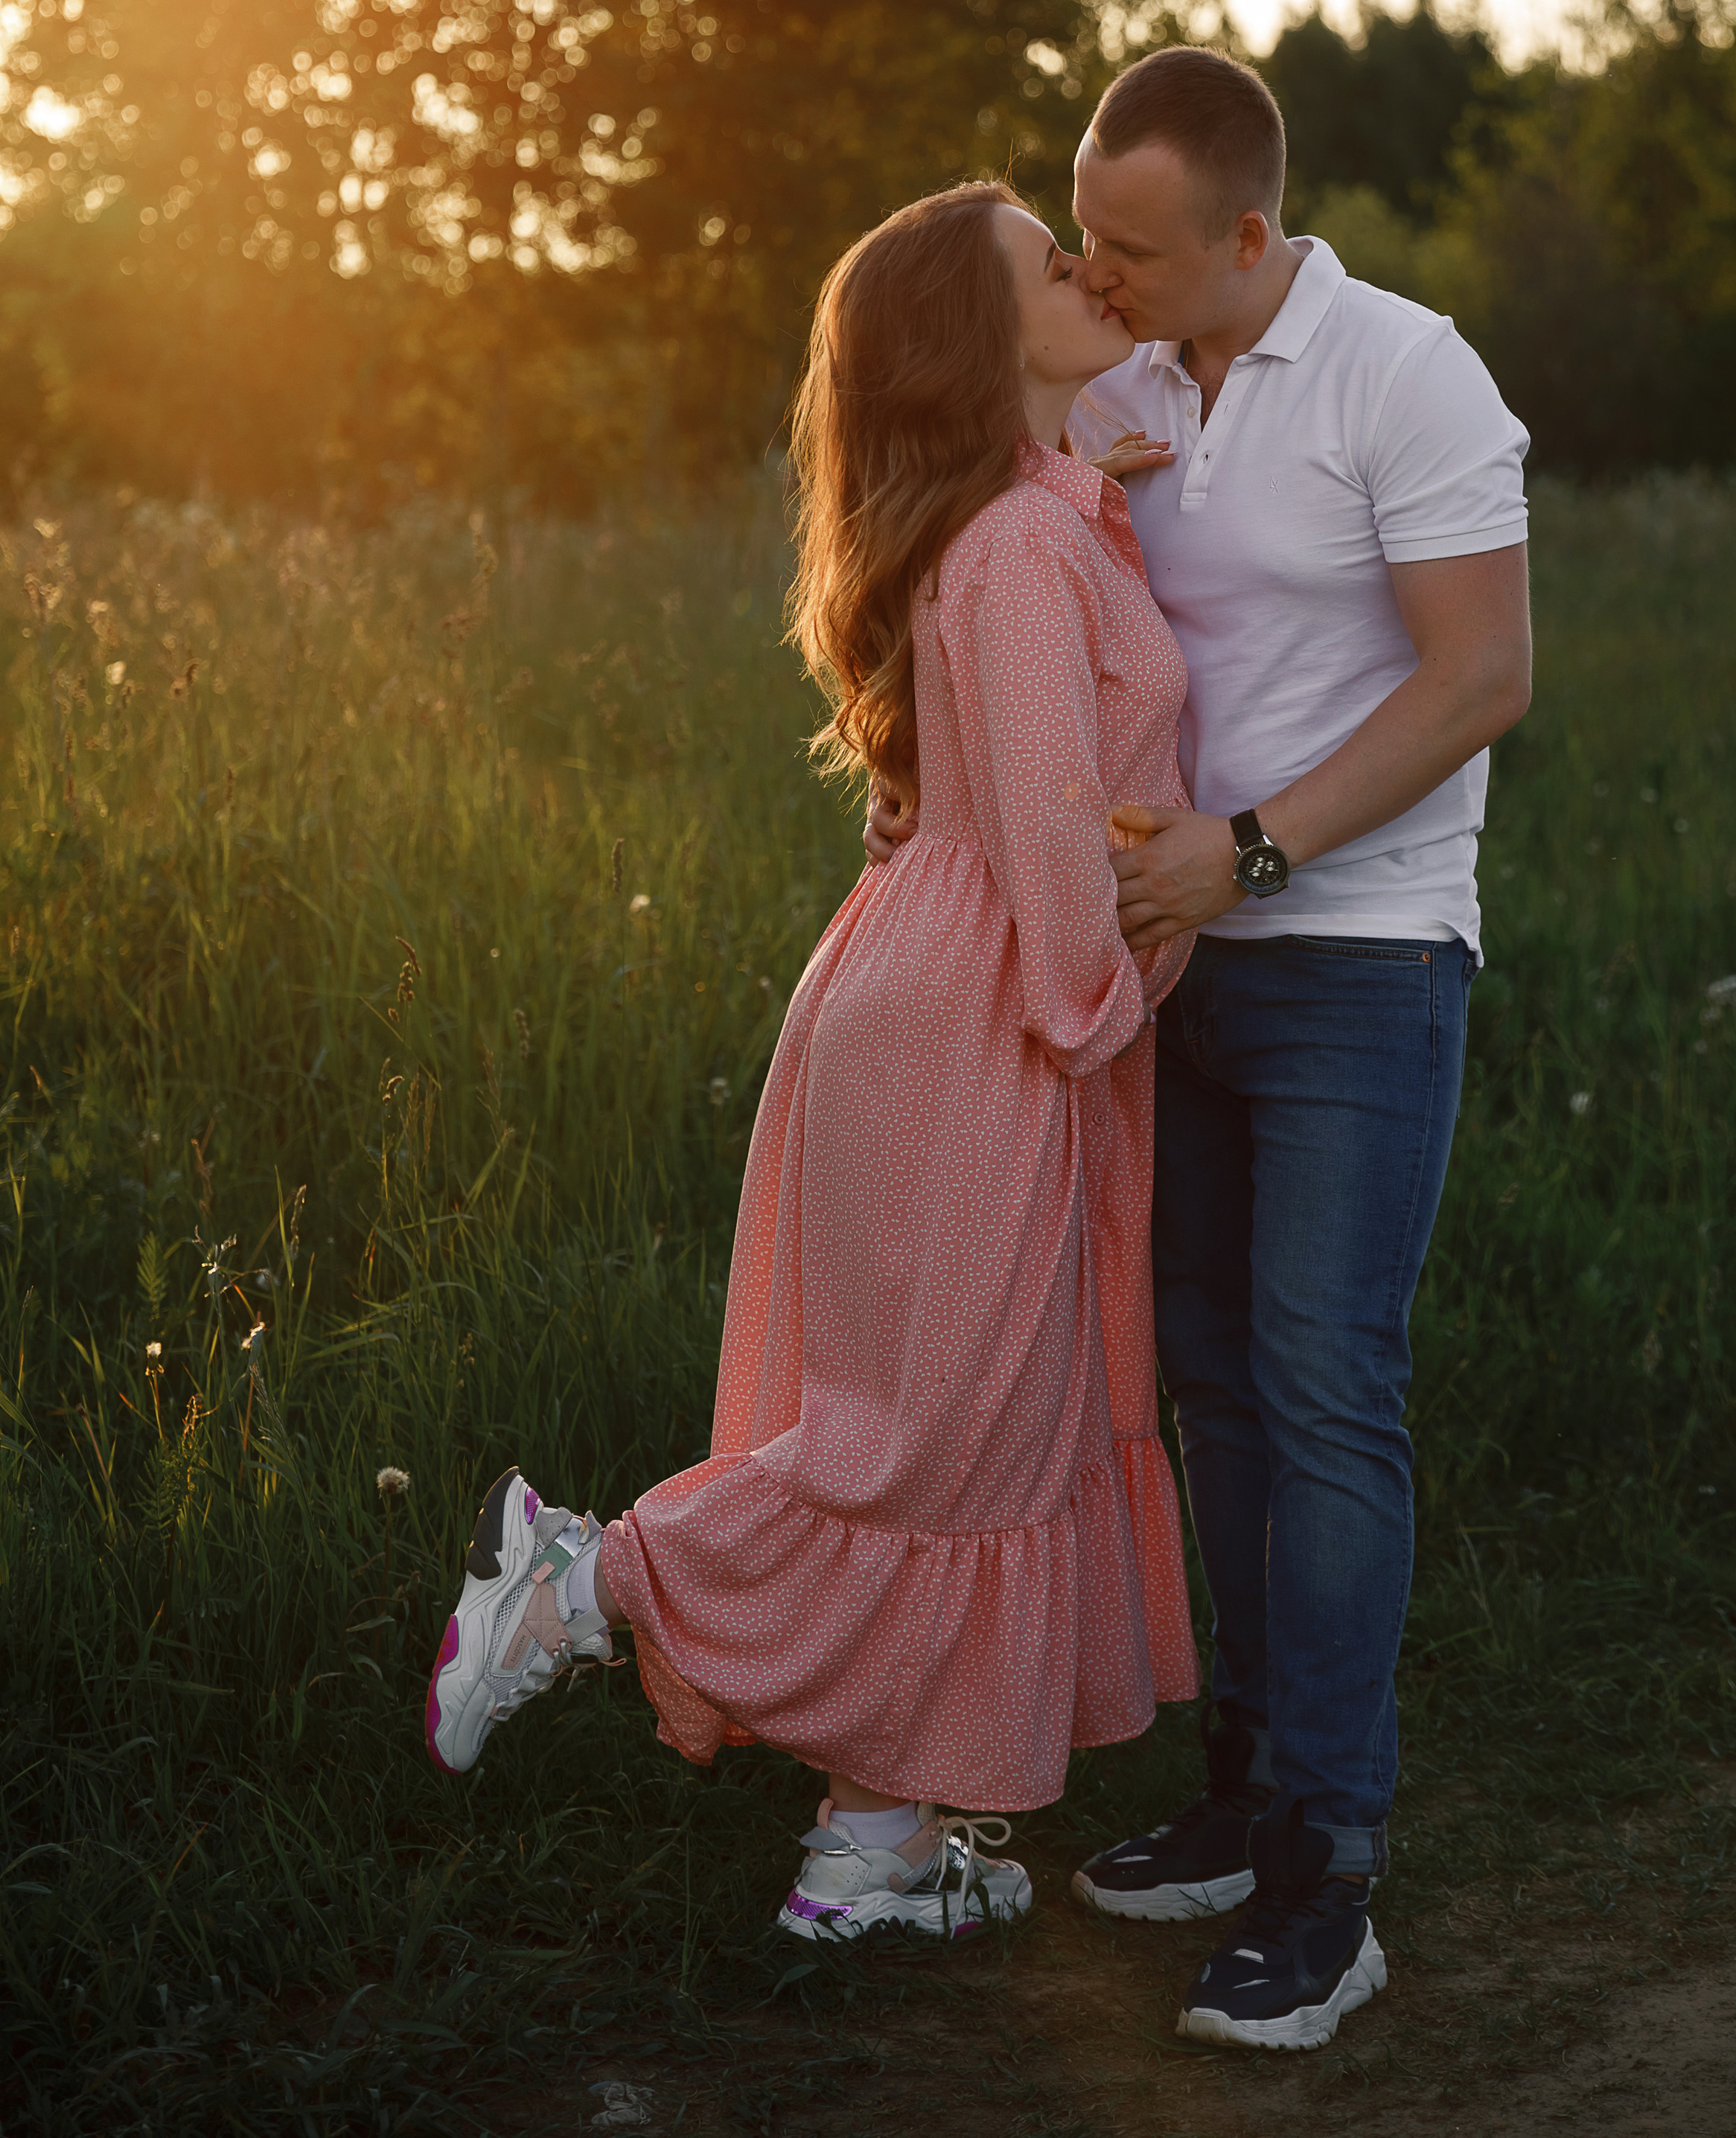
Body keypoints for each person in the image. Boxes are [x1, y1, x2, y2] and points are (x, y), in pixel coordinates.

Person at [423, 180, 1202, 1943]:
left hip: (937, 999)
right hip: (988, 1015)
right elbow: (1046, 831)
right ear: (972, 340)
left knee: (978, 1438)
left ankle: (874, 1856)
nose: (1082, 271)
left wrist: (1092, 485)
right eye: (1042, 262)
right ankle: (585, 1578)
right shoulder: (1012, 552)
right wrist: (1114, 994)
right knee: (925, 1448)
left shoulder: (1027, 519)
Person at [869, 48, 1531, 2052]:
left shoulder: (1410, 375)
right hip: (1171, 965)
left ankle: (1335, 1862)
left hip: (1355, 949)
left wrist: (1250, 857)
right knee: (1217, 1388)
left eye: (1137, 244)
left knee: (1328, 1388)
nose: (1101, 269)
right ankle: (1244, 1788)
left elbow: (1484, 673)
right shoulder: (1133, 384)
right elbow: (1009, 581)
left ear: (1256, 233)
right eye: (1086, 235)